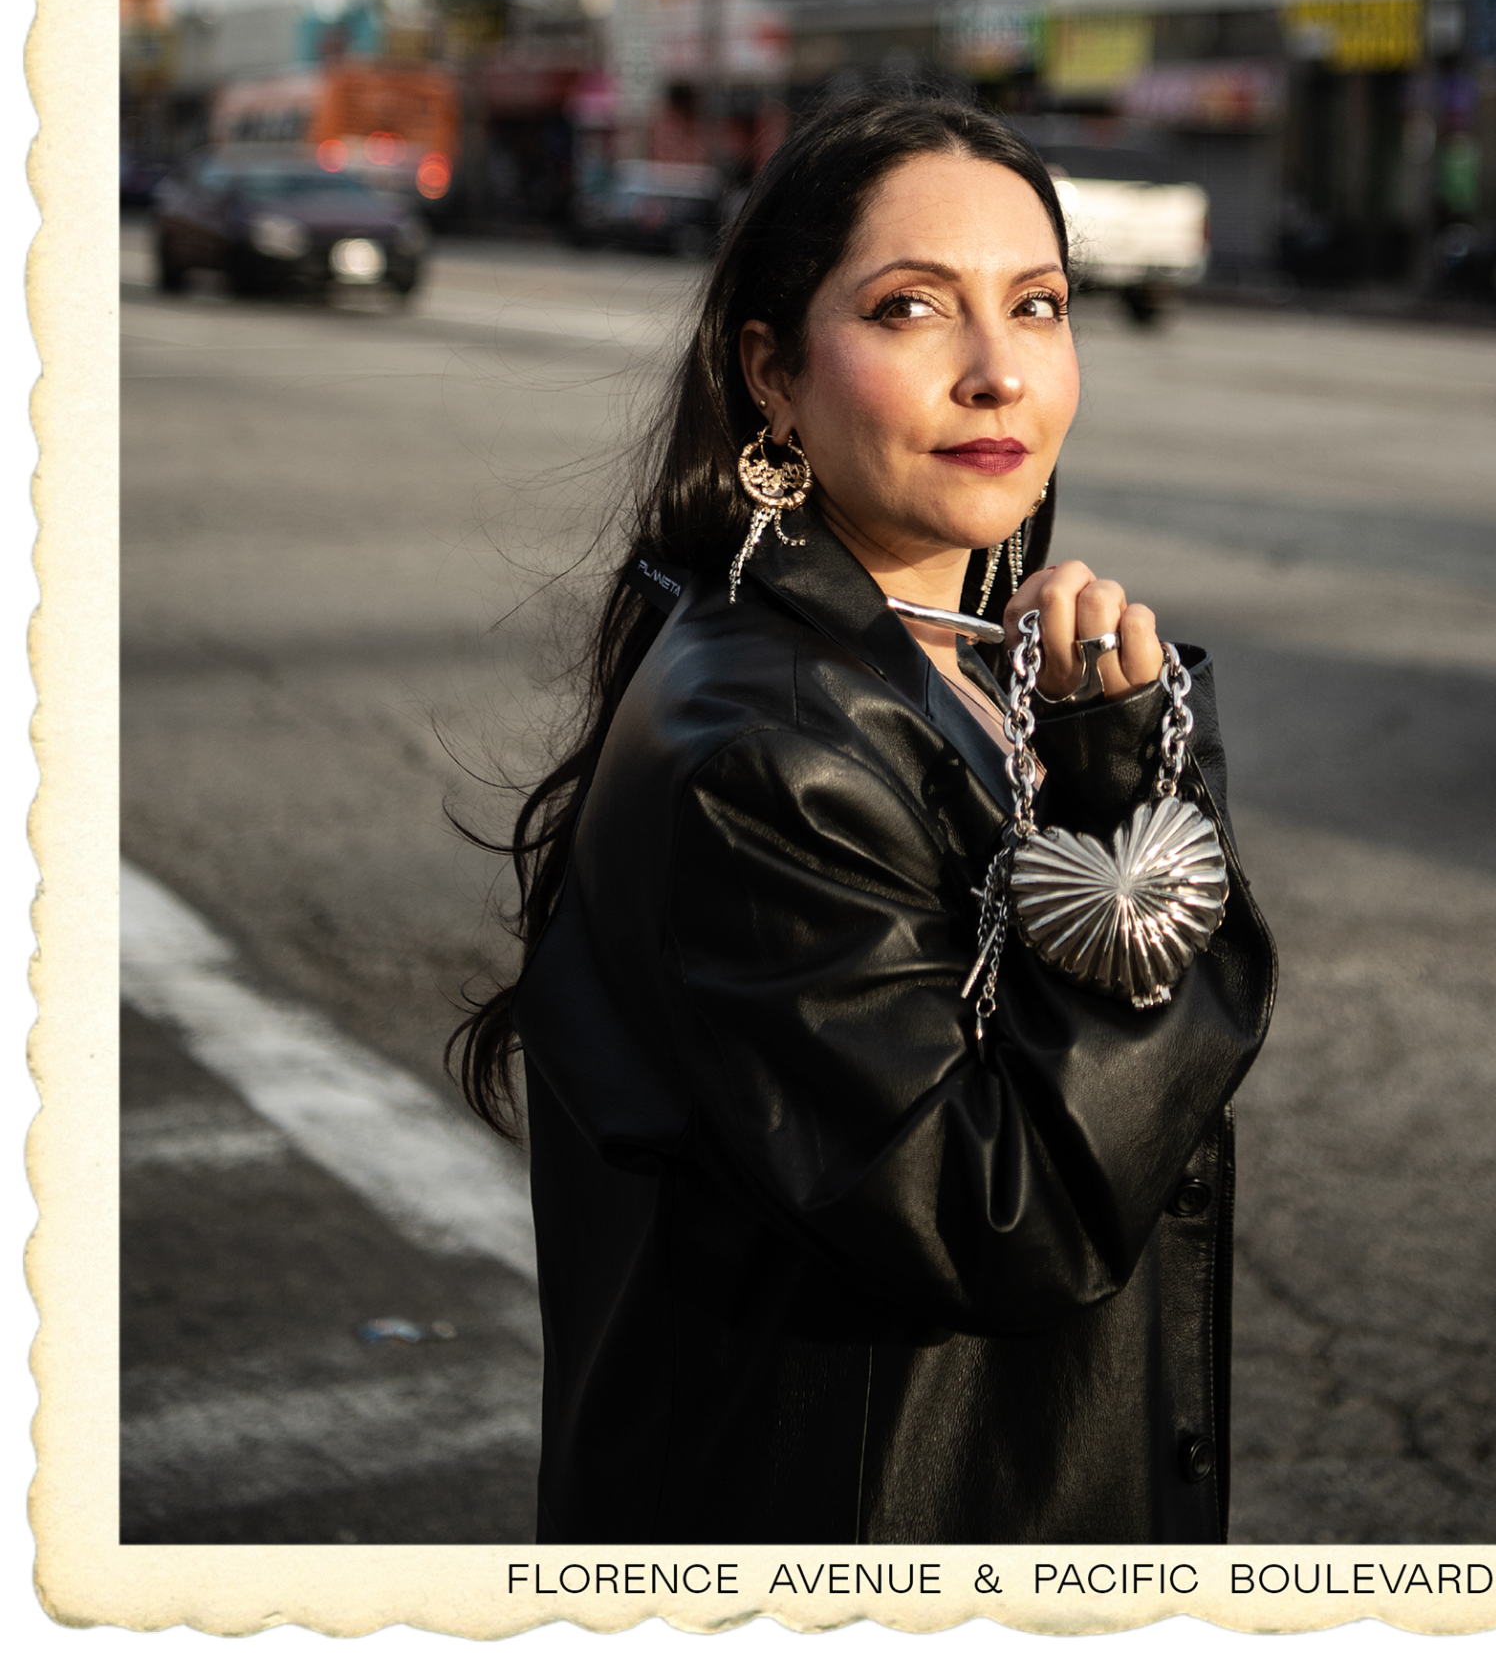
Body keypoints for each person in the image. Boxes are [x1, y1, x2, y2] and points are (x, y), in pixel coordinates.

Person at [453, 90, 1276, 1543]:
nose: (997, 375)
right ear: (771, 373)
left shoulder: (930, 655)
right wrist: (1143, 824)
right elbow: (1000, 1214)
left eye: (1036, 306)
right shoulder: (765, 749)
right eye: (910, 310)